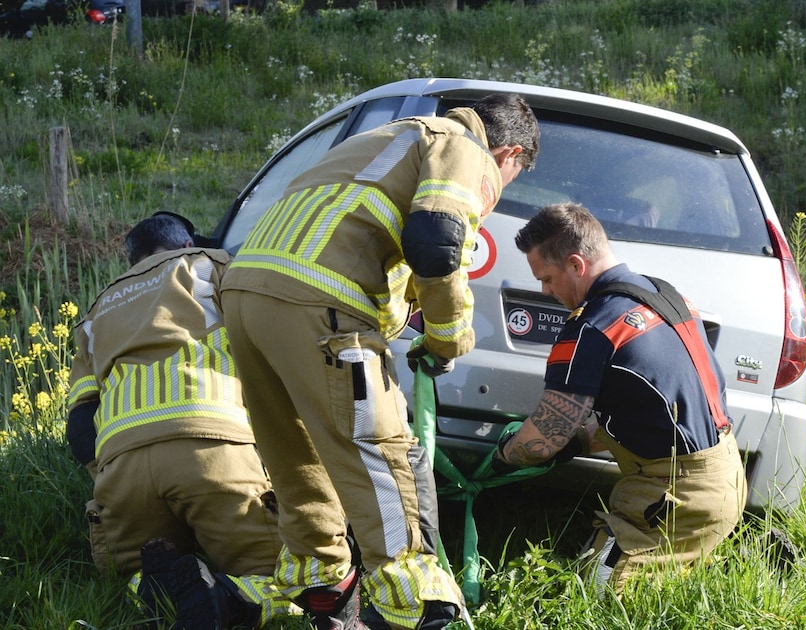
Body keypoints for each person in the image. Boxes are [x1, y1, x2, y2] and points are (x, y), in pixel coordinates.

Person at [219, 94, 540, 629]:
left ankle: (322, 589)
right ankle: (419, 604)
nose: (499, 191)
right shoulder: (460, 145)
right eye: (511, 178)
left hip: (248, 295)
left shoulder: (385, 138)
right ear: (507, 152)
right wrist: (447, 338)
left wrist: (407, 310)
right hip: (321, 304)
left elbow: (382, 231)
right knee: (382, 458)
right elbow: (438, 241)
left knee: (296, 454)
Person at [491, 201, 746, 595]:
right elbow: (647, 412)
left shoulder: (591, 327)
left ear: (576, 265)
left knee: (594, 598)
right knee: (658, 596)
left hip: (675, 495)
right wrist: (578, 442)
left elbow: (546, 435)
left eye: (546, 277)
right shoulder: (662, 293)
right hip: (726, 475)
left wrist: (502, 458)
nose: (545, 290)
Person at [66, 212, 297, 628]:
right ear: (189, 246)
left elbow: (80, 425)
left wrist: (105, 475)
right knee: (289, 581)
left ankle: (165, 589)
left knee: (129, 580)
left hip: (121, 470)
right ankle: (227, 596)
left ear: (133, 261)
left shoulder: (96, 312)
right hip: (212, 448)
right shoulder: (217, 265)